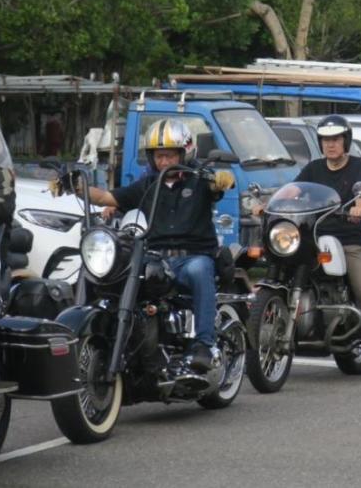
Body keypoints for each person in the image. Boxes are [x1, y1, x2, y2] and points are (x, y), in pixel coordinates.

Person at [57, 119, 235, 374]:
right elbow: (108, 197)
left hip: (193, 257)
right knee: (114, 271)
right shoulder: (147, 185)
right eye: (158, 156)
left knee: (199, 270)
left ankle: (203, 345)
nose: (163, 162)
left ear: (185, 152)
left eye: (170, 155)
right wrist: (76, 186)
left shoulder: (200, 180)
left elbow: (218, 185)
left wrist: (222, 180)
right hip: (156, 258)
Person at [272, 115, 361, 385]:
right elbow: (293, 190)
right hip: (313, 238)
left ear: (346, 141)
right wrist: (269, 202)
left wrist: (359, 205)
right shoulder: (314, 169)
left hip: (347, 241)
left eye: (336, 139)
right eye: (326, 140)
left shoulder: (359, 166)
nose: (331, 145)